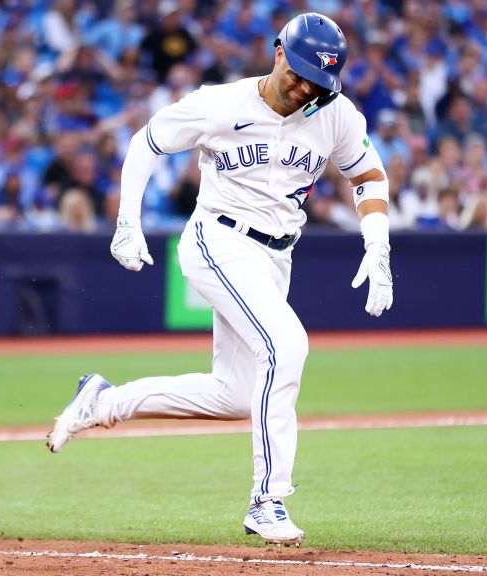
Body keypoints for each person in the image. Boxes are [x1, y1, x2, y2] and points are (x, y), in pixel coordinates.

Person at [46, 13, 394, 547]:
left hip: (278, 257)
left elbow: (368, 174)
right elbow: (147, 142)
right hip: (219, 239)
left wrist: (377, 243)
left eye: (317, 83)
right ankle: (268, 499)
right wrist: (127, 221)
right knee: (287, 345)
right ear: (278, 51)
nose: (304, 89)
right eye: (298, 73)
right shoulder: (221, 104)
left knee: (236, 395)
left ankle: (104, 402)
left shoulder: (335, 114)